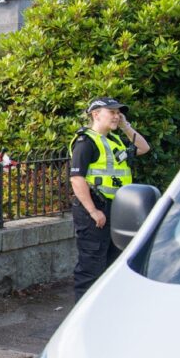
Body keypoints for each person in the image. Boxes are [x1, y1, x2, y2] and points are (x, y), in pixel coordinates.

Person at [69, 97, 150, 301]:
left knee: (112, 265)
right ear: (96, 115)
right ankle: (83, 318)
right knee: (91, 267)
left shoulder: (113, 140)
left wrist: (125, 126)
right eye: (111, 112)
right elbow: (77, 179)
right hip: (95, 210)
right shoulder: (85, 141)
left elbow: (143, 148)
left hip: (115, 209)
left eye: (118, 112)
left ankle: (105, 311)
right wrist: (93, 211)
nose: (116, 116)